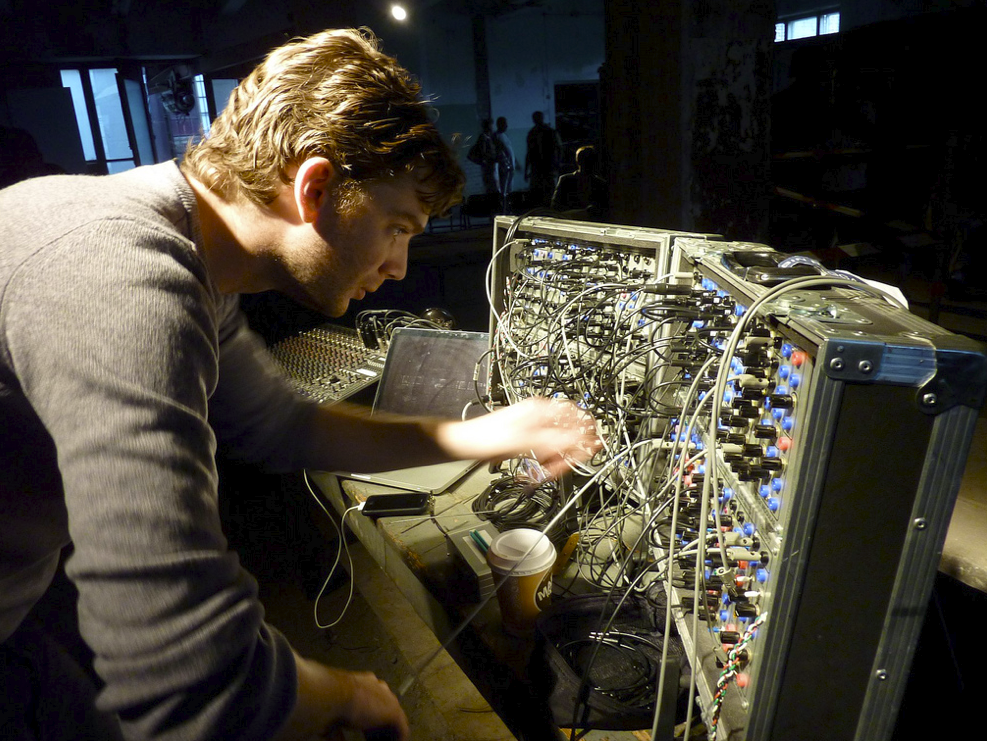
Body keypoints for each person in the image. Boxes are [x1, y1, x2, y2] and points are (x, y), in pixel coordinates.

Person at [0, 28, 601, 741]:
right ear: (313, 188)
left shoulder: (185, 252)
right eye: (397, 227)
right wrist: (333, 693)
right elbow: (180, 666)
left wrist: (481, 434)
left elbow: (282, 426)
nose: (400, 266)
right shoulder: (123, 278)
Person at [550, 145, 609, 221]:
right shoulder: (566, 180)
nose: (586, 163)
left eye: (588, 159)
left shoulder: (600, 184)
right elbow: (555, 206)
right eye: (585, 159)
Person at [524, 111, 562, 208]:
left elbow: (529, 153)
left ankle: (548, 210)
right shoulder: (541, 132)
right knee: (544, 193)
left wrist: (557, 162)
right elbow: (529, 152)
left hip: (544, 167)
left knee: (546, 192)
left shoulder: (535, 133)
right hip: (542, 167)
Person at [467, 118, 499, 196]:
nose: (492, 127)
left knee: (493, 184)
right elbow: (483, 152)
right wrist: (492, 158)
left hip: (491, 166)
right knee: (491, 185)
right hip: (488, 166)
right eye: (490, 125)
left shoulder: (489, 137)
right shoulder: (483, 137)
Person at [493, 116, 517, 213]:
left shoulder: (504, 135)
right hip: (504, 167)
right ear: (500, 124)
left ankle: (508, 209)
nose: (506, 126)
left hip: (509, 167)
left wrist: (514, 163)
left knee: (509, 189)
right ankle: (503, 210)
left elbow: (509, 151)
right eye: (504, 124)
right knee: (504, 189)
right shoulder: (496, 136)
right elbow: (500, 152)